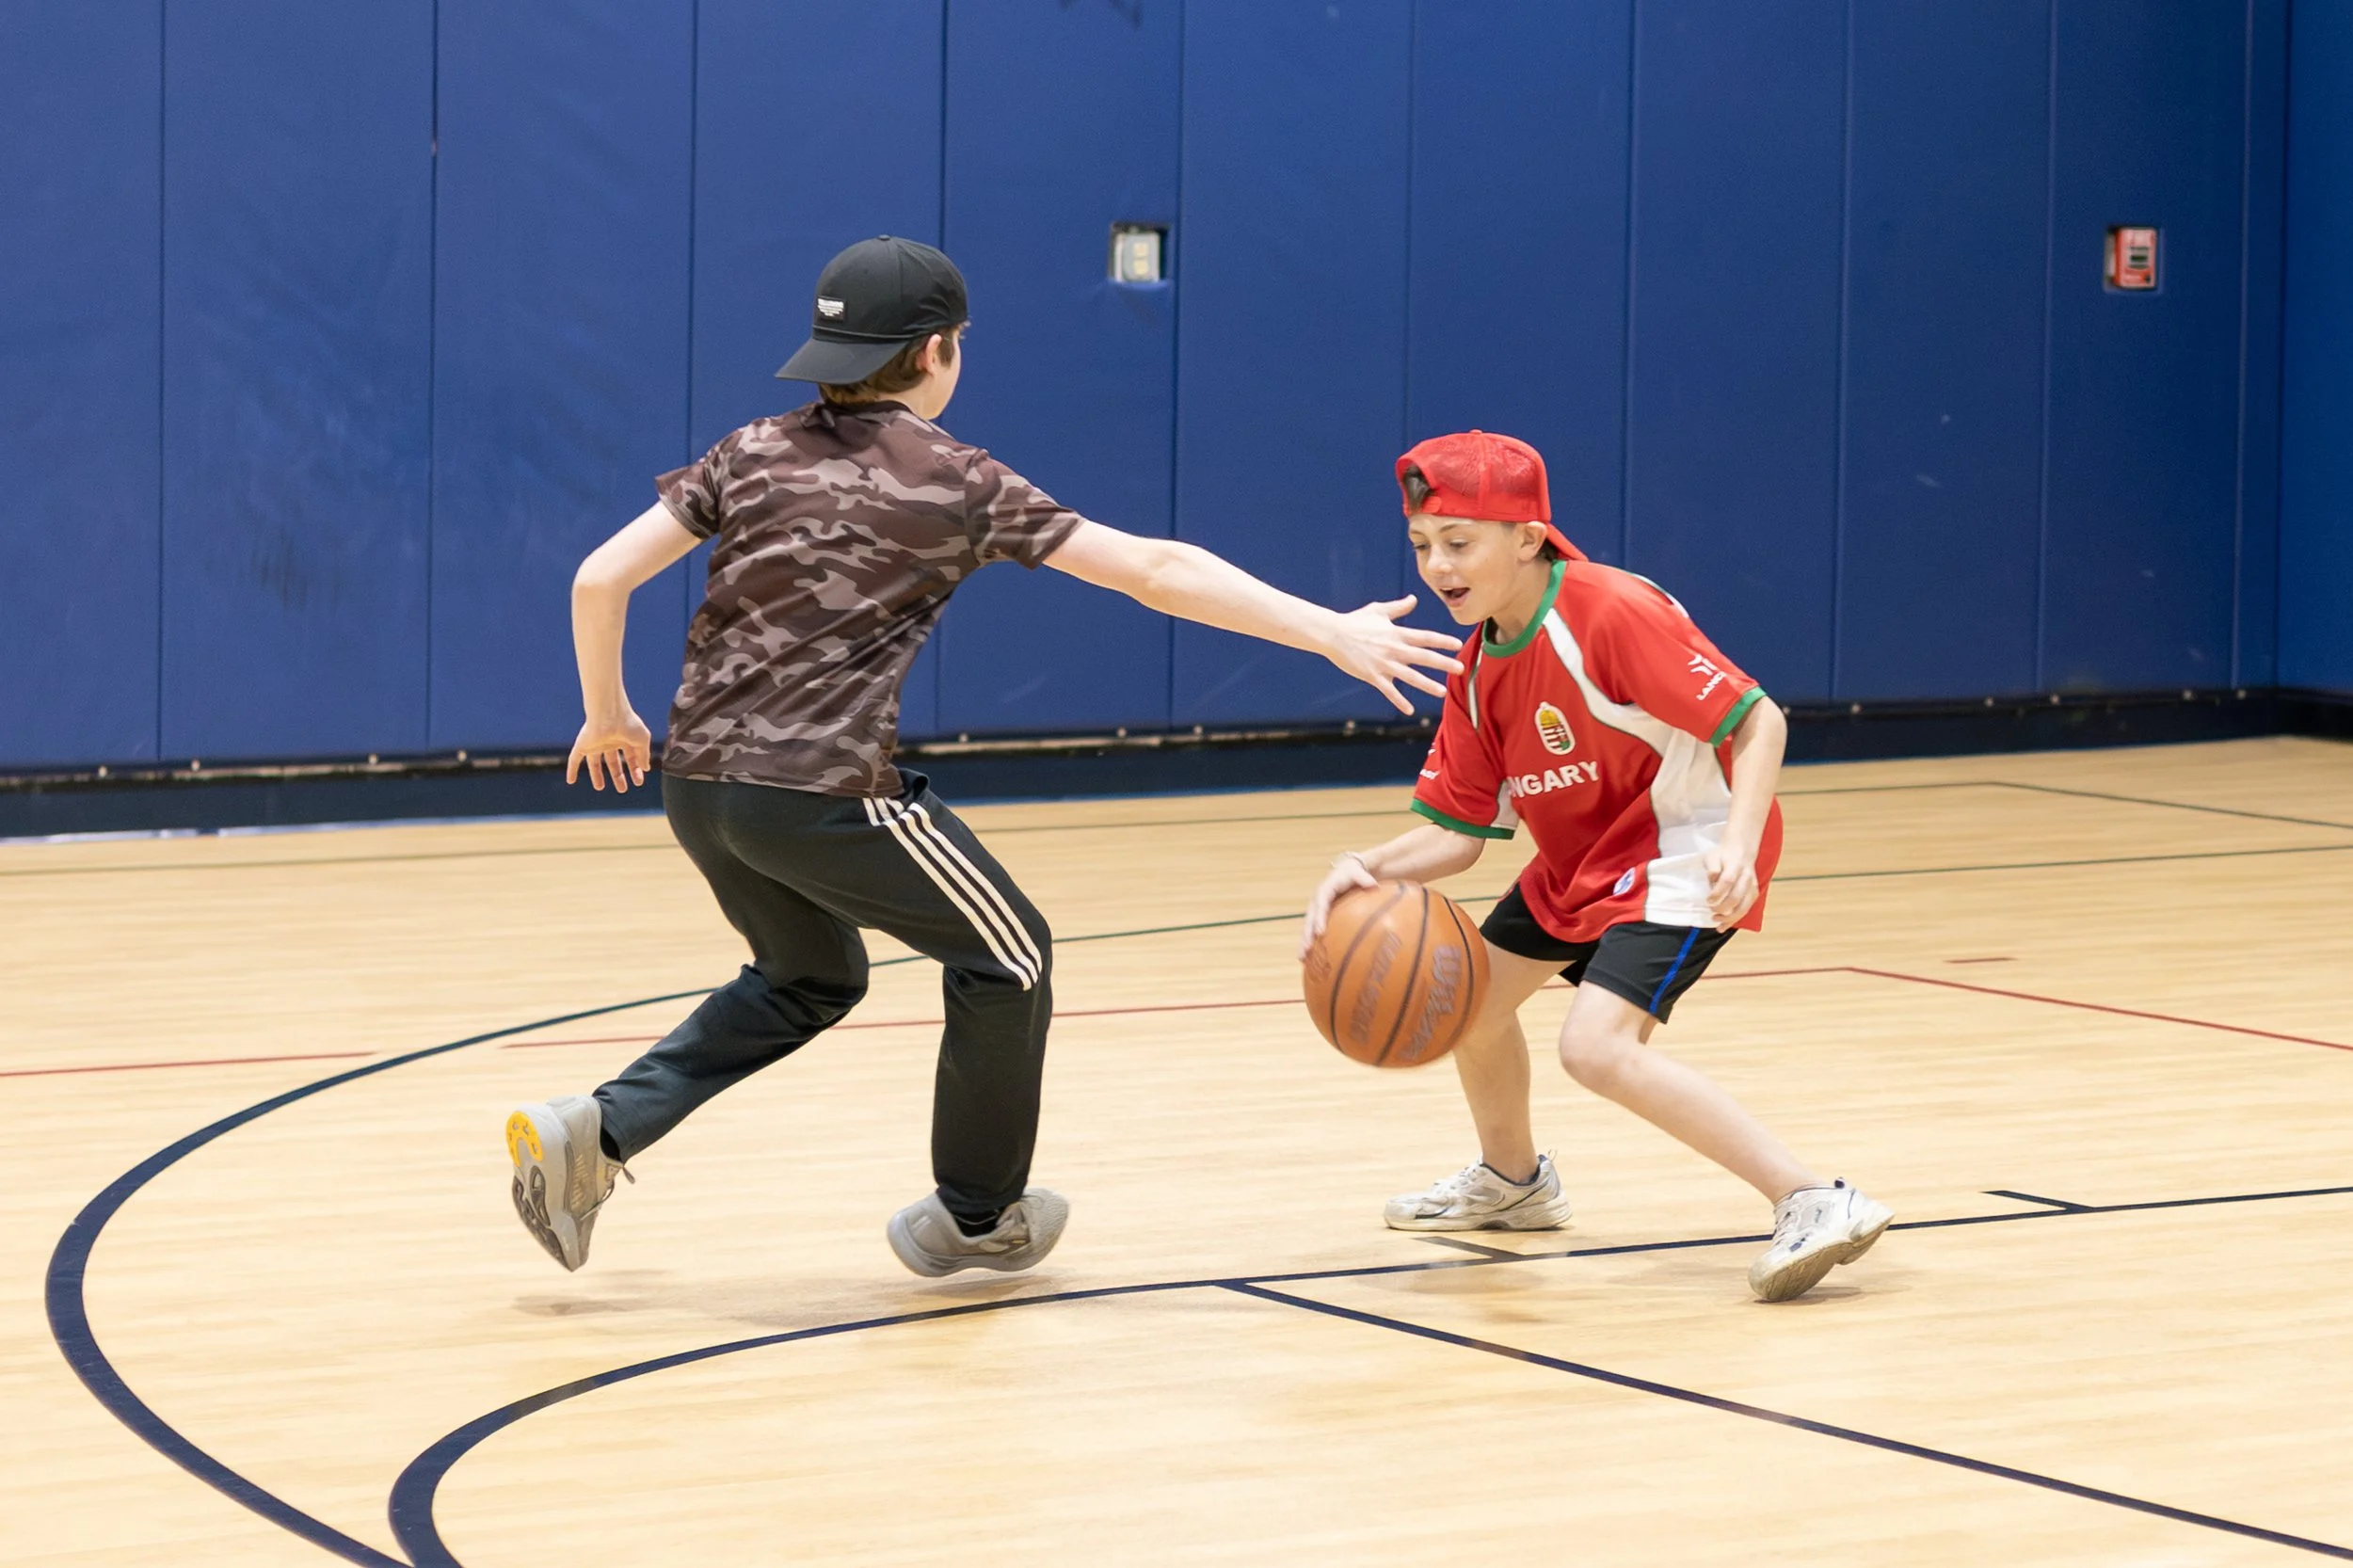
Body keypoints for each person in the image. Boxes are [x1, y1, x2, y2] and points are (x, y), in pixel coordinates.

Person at [504, 236, 1462, 1280]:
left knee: (805, 976)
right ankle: (977, 1214)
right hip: (821, 790)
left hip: (696, 786)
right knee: (1010, 957)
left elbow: (600, 579)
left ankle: (594, 1133)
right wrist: (1327, 628)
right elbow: (1153, 568)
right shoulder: (953, 479)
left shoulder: (751, 447)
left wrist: (610, 717)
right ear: (935, 354)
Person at [1299, 430, 1891, 1303]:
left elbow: (1758, 720)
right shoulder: (1476, 669)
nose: (1437, 566)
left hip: (1687, 843)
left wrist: (1738, 843)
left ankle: (1814, 1199)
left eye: (1459, 543)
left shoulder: (1608, 611)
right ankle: (1515, 1183)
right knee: (1470, 1001)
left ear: (1528, 538)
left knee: (1597, 1049)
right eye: (1422, 545)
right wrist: (1367, 865)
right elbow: (1459, 832)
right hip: (1583, 859)